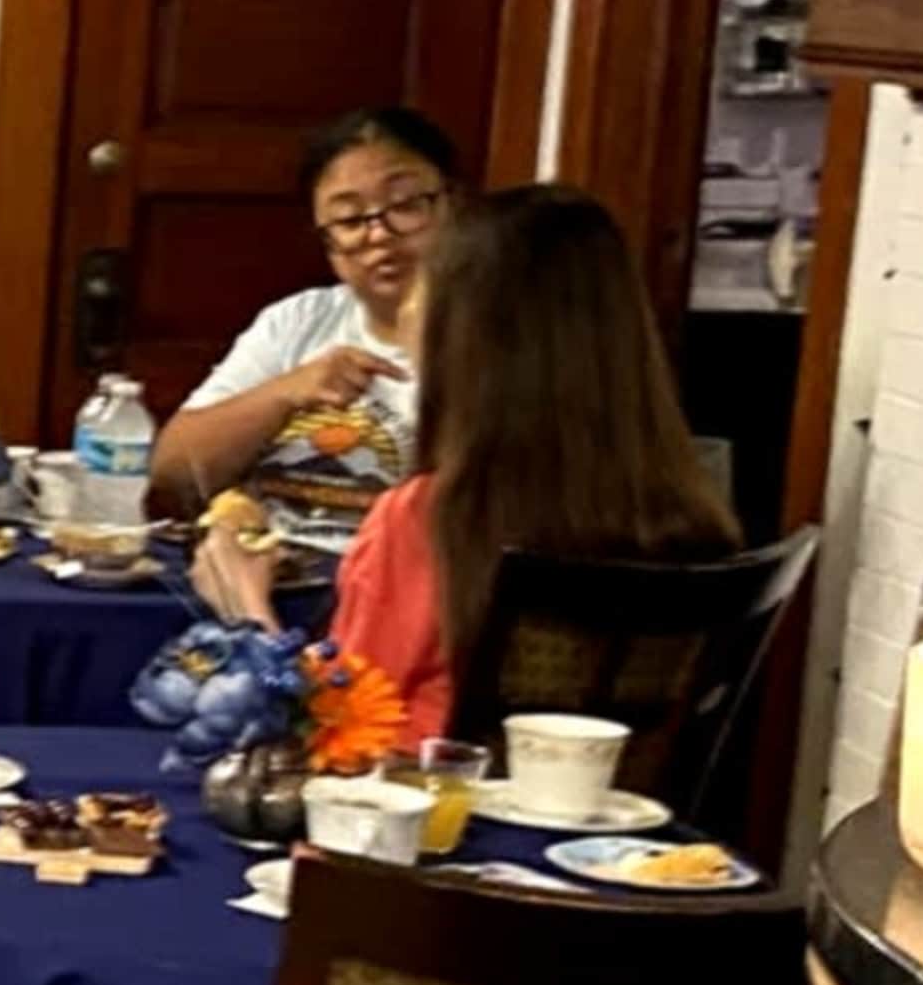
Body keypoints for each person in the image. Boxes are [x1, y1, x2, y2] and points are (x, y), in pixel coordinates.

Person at [193, 180, 733, 736]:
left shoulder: (430, 519)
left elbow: (337, 730)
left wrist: (247, 611)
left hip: (431, 810)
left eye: (422, 295)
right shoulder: (688, 517)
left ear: (469, 336)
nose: (406, 317)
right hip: (613, 820)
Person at [147, 104, 465, 516]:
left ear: (453, 205)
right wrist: (285, 392)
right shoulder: (299, 320)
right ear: (326, 239)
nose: (379, 234)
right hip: (264, 564)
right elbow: (173, 471)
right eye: (350, 219)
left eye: (405, 206)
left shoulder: (506, 330)